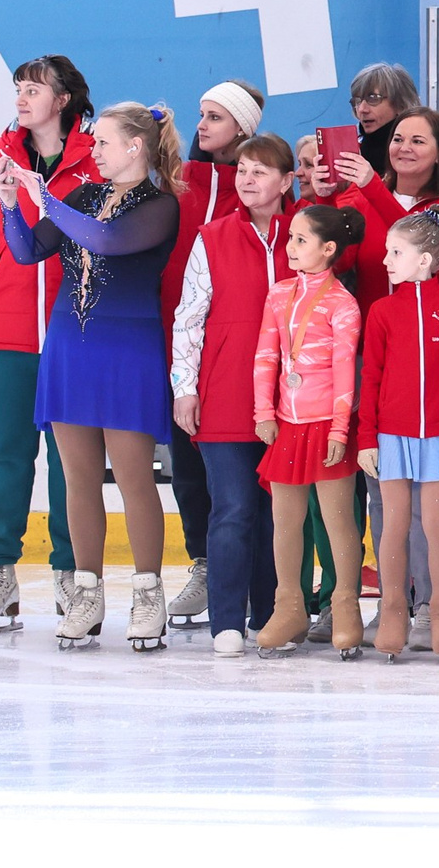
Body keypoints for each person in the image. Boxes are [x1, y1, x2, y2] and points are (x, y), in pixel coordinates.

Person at [0, 101, 183, 652]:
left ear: (135, 147)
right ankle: (87, 590)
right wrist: (13, 206)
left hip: (127, 351)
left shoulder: (160, 207)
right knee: (77, 478)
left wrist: (44, 197)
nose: (93, 151)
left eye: (102, 142)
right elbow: (29, 249)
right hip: (70, 348)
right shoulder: (83, 196)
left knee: (132, 477)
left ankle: (148, 592)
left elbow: (106, 241)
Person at [0, 55, 95, 636]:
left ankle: (70, 572)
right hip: (3, 326)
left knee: (72, 461)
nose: (21, 96)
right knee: (5, 453)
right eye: (18, 87)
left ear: (62, 99)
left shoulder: (98, 158)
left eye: (33, 88)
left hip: (74, 329)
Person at [171, 132, 297, 655]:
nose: (247, 179)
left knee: (278, 512)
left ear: (287, 181)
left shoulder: (307, 233)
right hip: (225, 392)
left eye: (260, 171)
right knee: (232, 508)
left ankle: (270, 617)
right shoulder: (212, 236)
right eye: (242, 170)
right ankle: (226, 620)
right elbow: (189, 317)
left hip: (293, 400)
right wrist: (185, 386)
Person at [159, 78, 264, 624]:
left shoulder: (261, 186)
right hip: (178, 343)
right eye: (200, 114)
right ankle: (204, 563)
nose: (202, 126)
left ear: (243, 129)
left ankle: (264, 585)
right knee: (187, 466)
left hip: (242, 352)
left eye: (215, 117)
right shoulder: (181, 180)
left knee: (248, 478)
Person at [355, 209, 439, 660]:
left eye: (396, 252)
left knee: (436, 526)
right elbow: (372, 377)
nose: (386, 260)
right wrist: (367, 436)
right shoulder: (383, 310)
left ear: (424, 260)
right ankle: (392, 613)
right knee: (393, 526)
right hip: (390, 436)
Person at [249, 203, 366, 657]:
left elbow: (343, 371)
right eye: (290, 237)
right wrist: (264, 411)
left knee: (338, 522)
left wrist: (340, 430)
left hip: (325, 424)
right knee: (285, 522)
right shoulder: (279, 294)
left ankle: (345, 606)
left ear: (328, 248)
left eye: (300, 239)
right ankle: (290, 606)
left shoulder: (342, 303)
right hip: (286, 423)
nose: (290, 246)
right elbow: (266, 356)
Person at [335, 107, 439, 300]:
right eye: (398, 139)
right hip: (375, 325)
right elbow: (339, 262)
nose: (404, 148)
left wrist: (372, 187)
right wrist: (327, 198)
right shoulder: (364, 199)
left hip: (432, 326)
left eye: (417, 141)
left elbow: (418, 240)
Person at [348, 62, 421, 176]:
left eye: (372, 98)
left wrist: (370, 184)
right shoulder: (353, 153)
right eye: (357, 101)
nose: (362, 109)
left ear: (400, 104)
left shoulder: (419, 155)